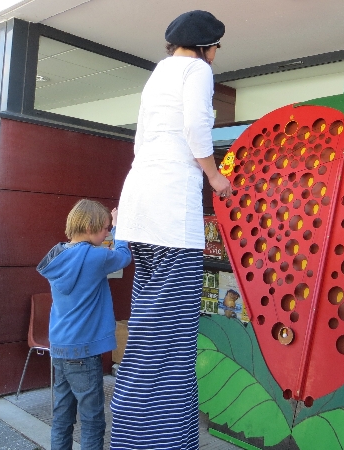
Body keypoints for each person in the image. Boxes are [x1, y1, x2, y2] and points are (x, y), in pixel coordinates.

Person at [110, 10, 232, 450]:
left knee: (148, 330)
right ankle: (155, 440)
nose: (216, 55)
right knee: (170, 341)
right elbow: (197, 127)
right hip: (170, 220)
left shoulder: (159, 73)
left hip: (141, 216)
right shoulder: (196, 70)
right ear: (206, 45)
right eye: (217, 46)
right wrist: (216, 179)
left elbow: (143, 146)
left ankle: (143, 435)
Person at [37, 199, 132, 450]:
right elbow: (123, 256)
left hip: (60, 346)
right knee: (92, 422)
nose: (108, 233)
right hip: (84, 350)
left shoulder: (58, 255)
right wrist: (121, 226)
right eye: (105, 228)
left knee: (62, 416)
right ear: (90, 227)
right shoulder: (96, 257)